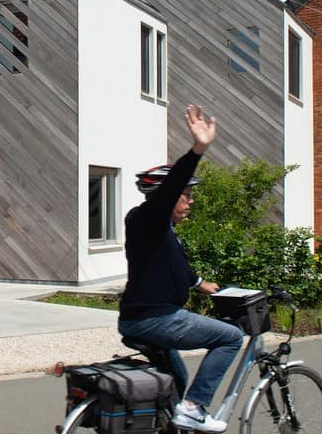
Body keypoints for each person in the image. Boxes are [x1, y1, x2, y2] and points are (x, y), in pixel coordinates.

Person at [118, 105, 242, 434]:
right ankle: (194, 408)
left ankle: (167, 422)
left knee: (178, 378)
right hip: (157, 317)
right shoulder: (149, 217)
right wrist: (198, 148)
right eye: (185, 195)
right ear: (165, 197)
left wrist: (199, 282)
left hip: (139, 316)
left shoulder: (159, 230)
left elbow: (174, 266)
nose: (190, 200)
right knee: (231, 337)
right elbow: (171, 187)